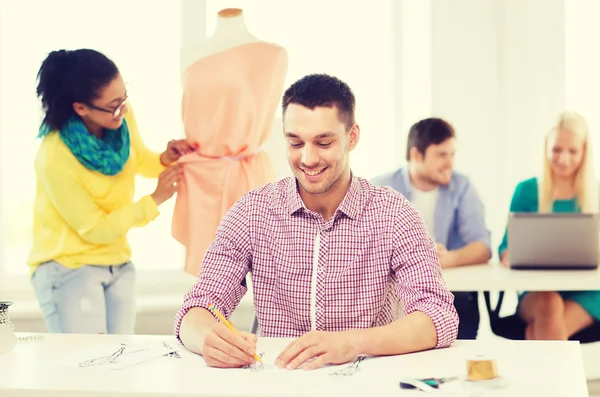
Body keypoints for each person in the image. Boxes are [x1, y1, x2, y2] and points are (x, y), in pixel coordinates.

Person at [174, 74, 459, 370]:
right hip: (279, 384)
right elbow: (196, 308)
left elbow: (438, 315)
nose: (308, 159)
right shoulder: (252, 212)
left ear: (352, 136)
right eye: (295, 143)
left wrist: (352, 343)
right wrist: (208, 337)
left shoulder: (394, 214)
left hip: (367, 384)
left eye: (323, 142)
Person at [28, 49, 194, 334]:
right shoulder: (54, 157)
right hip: (67, 267)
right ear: (81, 108)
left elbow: (138, 159)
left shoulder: (120, 121)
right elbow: (95, 229)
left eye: (124, 98)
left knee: (119, 364)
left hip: (117, 263)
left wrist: (164, 159)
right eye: (114, 105)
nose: (124, 110)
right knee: (84, 369)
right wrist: (154, 200)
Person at [371, 118, 491, 340]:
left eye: (452, 154)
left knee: (462, 308)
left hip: (453, 291)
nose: (450, 163)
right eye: (441, 155)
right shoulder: (381, 188)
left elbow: (482, 246)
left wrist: (447, 259)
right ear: (417, 155)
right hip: (396, 293)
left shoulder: (461, 186)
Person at [498, 111, 600, 340]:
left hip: (588, 294)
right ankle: (562, 377)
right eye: (556, 150)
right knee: (549, 304)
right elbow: (505, 246)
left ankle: (534, 376)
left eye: (572, 151)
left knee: (541, 332)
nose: (563, 159)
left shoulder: (597, 193)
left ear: (584, 151)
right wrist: (508, 255)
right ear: (546, 149)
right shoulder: (526, 190)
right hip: (538, 290)